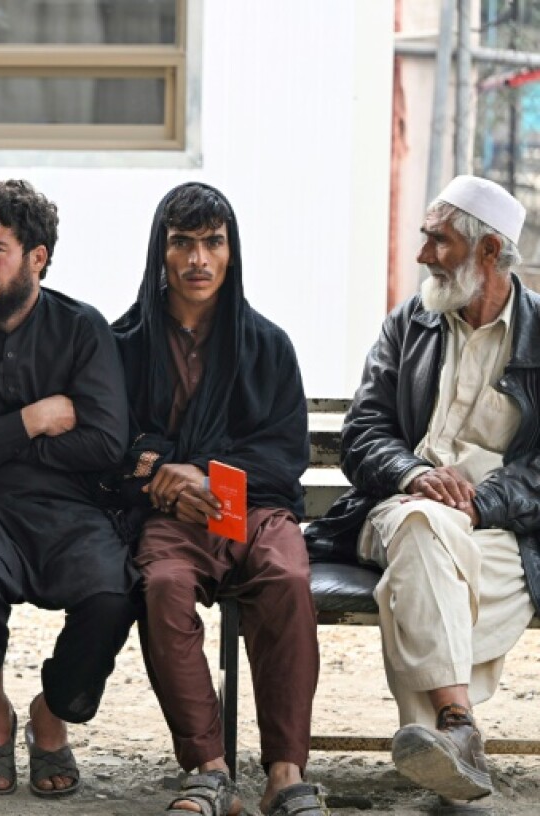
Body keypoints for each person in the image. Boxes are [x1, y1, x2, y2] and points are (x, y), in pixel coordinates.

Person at [306, 175, 540, 804]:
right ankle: (459, 727)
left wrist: (482, 501)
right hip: (396, 510)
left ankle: (436, 739)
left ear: (489, 252)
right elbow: (364, 431)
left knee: (421, 569)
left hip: (500, 532)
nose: (422, 255)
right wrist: (413, 474)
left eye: (438, 240)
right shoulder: (411, 323)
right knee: (418, 525)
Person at [0, 179, 137, 798]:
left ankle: (50, 713)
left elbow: (105, 444)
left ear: (37, 257)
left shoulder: (83, 329)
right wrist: (36, 419)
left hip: (71, 507)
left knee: (113, 593)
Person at [105, 182, 323, 816]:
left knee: (286, 576)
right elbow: (113, 442)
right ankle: (208, 770)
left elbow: (285, 454)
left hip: (254, 510)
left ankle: (286, 773)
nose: (198, 259)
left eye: (212, 243)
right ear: (161, 252)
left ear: (231, 252)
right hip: (171, 518)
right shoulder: (124, 345)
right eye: (183, 243)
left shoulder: (268, 345)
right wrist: (161, 474)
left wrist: (201, 471)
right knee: (164, 586)